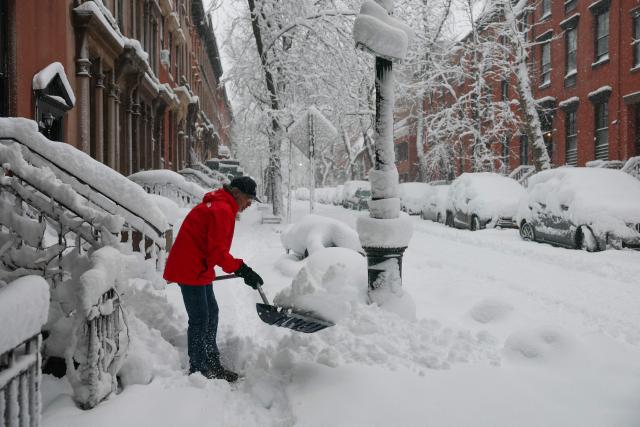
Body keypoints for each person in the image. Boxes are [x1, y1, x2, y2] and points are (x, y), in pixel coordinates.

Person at [163, 176, 265, 382]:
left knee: (211, 313)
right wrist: (243, 269)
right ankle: (199, 370)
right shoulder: (221, 210)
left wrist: (241, 269)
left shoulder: (221, 206)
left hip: (197, 268)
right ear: (237, 193)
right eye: (248, 198)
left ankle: (212, 362)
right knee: (200, 319)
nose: (249, 204)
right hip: (190, 269)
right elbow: (217, 253)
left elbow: (213, 251)